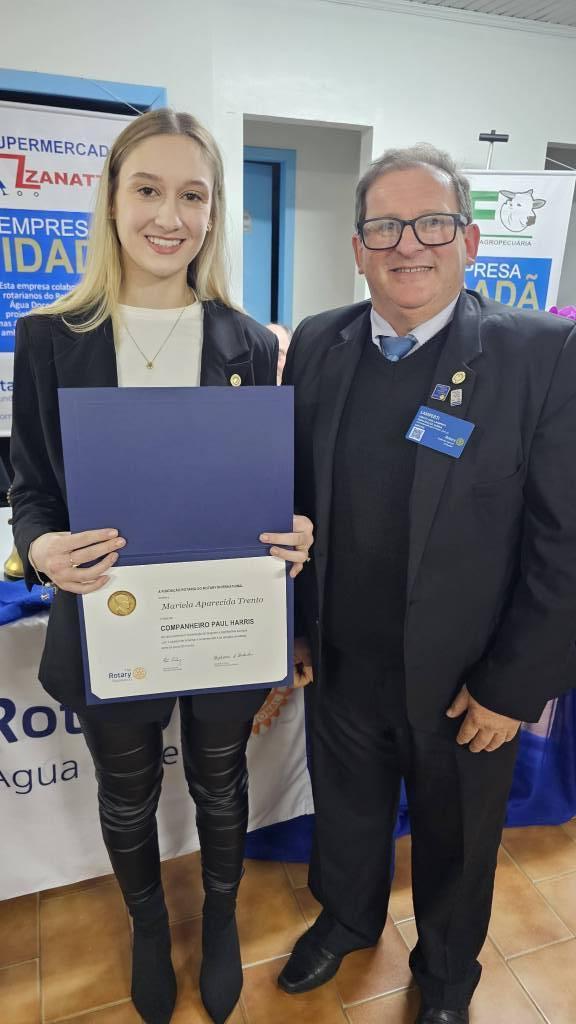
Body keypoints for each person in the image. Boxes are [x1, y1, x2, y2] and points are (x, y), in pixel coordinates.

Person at [9, 108, 313, 1024]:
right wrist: (42, 549)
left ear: (214, 213)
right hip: (110, 617)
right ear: (112, 199)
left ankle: (218, 922)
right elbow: (32, 488)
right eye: (148, 189)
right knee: (127, 789)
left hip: (220, 621)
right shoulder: (50, 335)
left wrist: (294, 531)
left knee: (221, 782)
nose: (169, 216)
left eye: (193, 195)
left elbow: (272, 489)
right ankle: (148, 927)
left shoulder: (249, 342)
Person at [278, 144, 576, 1024]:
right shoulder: (319, 343)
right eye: (384, 227)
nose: (408, 244)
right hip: (342, 660)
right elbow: (292, 500)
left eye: (433, 223)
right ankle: (346, 918)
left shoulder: (542, 354)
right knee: (347, 814)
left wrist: (513, 687)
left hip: (465, 680)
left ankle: (447, 973)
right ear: (358, 247)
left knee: (458, 839)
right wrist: (292, 628)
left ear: (469, 240)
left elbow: (564, 539)